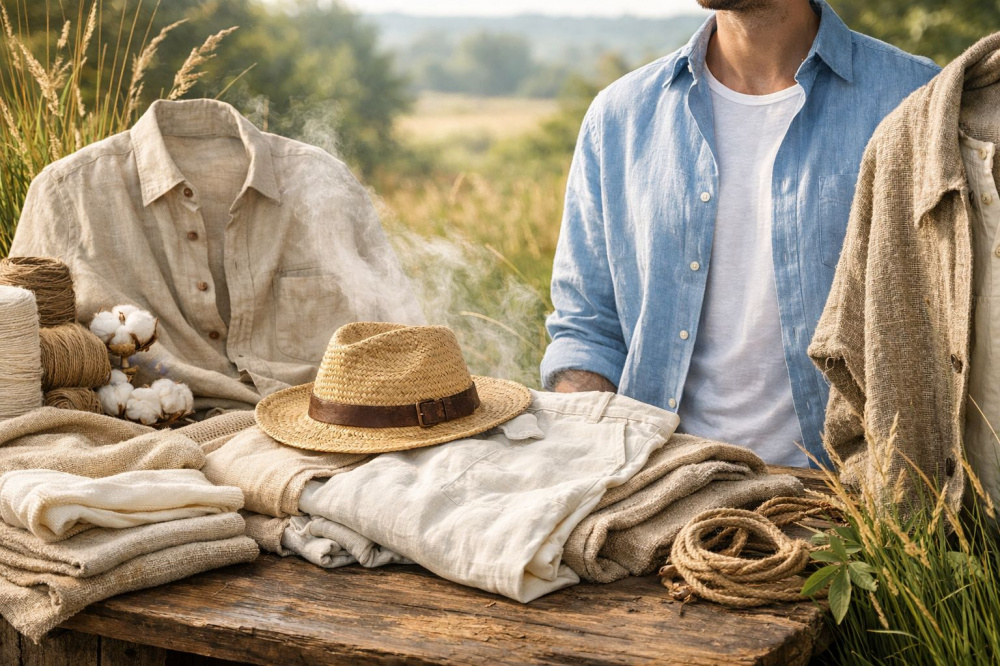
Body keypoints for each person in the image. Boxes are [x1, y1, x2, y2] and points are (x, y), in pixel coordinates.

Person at [541, 0, 939, 467]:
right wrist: (593, 459)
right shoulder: (620, 117)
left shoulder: (916, 100)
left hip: (852, 497)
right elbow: (588, 327)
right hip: (660, 491)